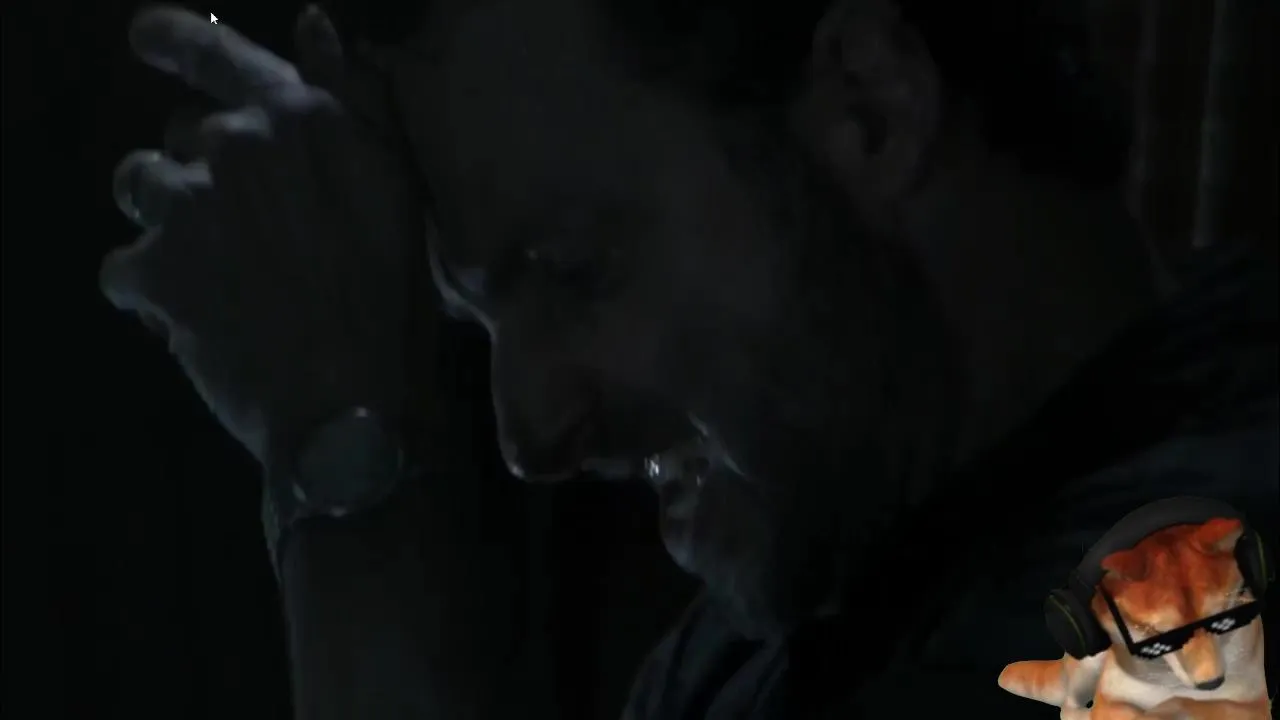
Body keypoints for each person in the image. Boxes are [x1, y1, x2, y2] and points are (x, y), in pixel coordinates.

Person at [103, 1, 1277, 717]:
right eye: (476, 320)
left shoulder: (1196, 622)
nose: (529, 433)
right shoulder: (796, 608)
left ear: (868, 108)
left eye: (573, 270)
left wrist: (347, 460)